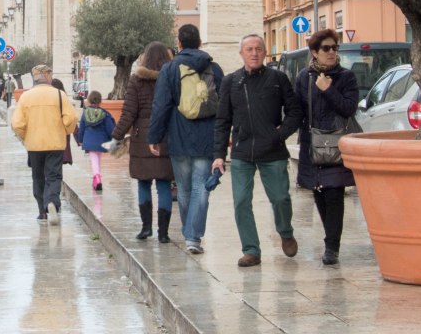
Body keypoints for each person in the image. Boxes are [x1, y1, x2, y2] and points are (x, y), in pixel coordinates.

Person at [212, 34, 302, 268]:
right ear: (241, 53)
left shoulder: (278, 79)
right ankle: (251, 250)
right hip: (242, 151)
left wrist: (279, 135)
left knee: (280, 198)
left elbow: (295, 112)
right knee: (241, 202)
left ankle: (285, 232)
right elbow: (222, 120)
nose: (254, 53)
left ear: (264, 52)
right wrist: (218, 155)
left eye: (258, 49)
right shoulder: (231, 81)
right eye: (249, 49)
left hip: (272, 150)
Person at [149, 25, 224, 254]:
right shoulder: (214, 68)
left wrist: (154, 136)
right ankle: (193, 238)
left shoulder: (170, 69)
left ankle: (189, 232)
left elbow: (161, 105)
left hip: (179, 137)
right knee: (201, 188)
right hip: (207, 137)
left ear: (179, 43)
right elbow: (225, 107)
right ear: (199, 42)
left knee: (183, 189)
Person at [294, 29, 359, 266]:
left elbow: (348, 108)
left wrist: (328, 89)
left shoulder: (346, 77)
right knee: (319, 192)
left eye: (334, 48)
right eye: (326, 48)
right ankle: (330, 239)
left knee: (334, 193)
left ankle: (332, 246)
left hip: (336, 143)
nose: (331, 52)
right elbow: (297, 110)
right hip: (312, 144)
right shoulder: (304, 77)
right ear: (314, 52)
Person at [108, 41, 174, 243]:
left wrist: (116, 136)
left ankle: (146, 228)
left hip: (141, 139)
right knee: (164, 184)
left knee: (143, 183)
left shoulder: (136, 80)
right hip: (166, 137)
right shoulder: (172, 78)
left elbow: (128, 113)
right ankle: (163, 233)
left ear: (145, 57)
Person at [10, 64, 79, 225]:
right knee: (54, 176)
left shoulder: (26, 96)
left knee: (38, 177)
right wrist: (65, 131)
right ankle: (52, 202)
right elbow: (71, 119)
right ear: (47, 76)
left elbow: (17, 123)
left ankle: (42, 211)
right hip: (55, 143)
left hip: (34, 145)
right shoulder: (59, 95)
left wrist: (26, 137)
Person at [76, 90, 116, 192]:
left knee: (94, 159)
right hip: (101, 141)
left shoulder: (85, 113)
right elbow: (110, 129)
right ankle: (97, 177)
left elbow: (81, 128)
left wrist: (80, 140)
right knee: (98, 159)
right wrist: (112, 139)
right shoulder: (105, 114)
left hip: (89, 141)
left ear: (89, 100)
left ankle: (97, 177)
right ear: (100, 101)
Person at [50, 78, 75, 167]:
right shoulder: (64, 98)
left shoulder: (48, 100)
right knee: (59, 161)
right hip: (62, 133)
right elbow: (72, 117)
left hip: (49, 133)